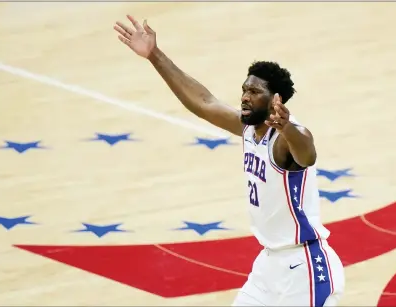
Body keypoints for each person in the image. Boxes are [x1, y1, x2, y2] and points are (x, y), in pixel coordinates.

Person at [113, 14, 345, 307]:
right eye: (245, 89)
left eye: (255, 92)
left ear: (275, 100)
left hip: (304, 267)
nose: (245, 97)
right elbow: (204, 102)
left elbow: (307, 153)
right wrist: (154, 55)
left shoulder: (287, 137)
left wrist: (285, 126)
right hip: (269, 265)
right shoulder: (249, 128)